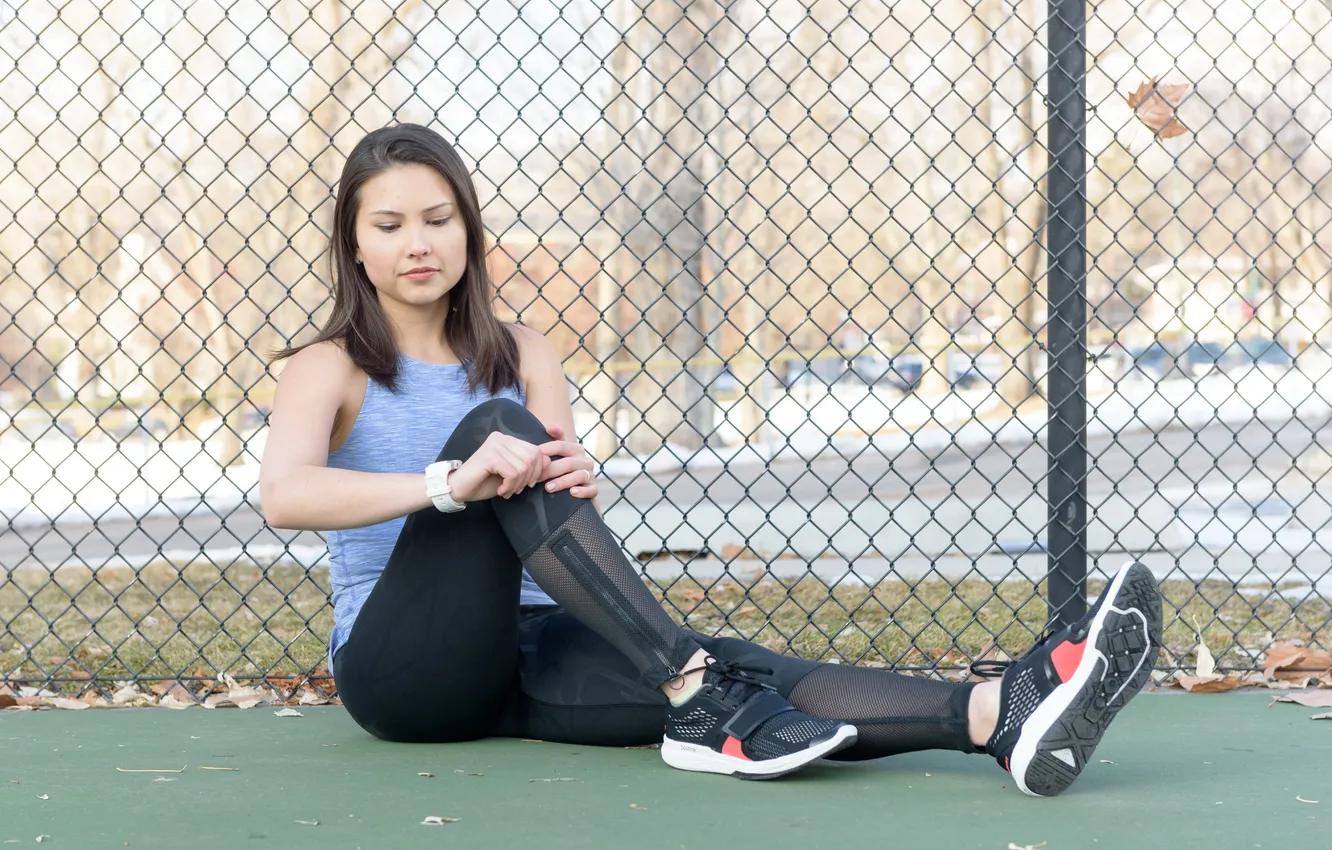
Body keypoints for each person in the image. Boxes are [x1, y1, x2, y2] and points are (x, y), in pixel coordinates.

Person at [259, 122, 1163, 791]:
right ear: (355, 243)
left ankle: (998, 717)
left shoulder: (525, 347)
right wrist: (449, 485)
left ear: (468, 232)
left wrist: (569, 484)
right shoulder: (328, 365)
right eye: (388, 225)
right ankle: (689, 685)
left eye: (437, 218)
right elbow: (284, 496)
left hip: (529, 653)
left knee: (736, 670)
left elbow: (560, 527)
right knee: (491, 435)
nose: (417, 243)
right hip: (405, 671)